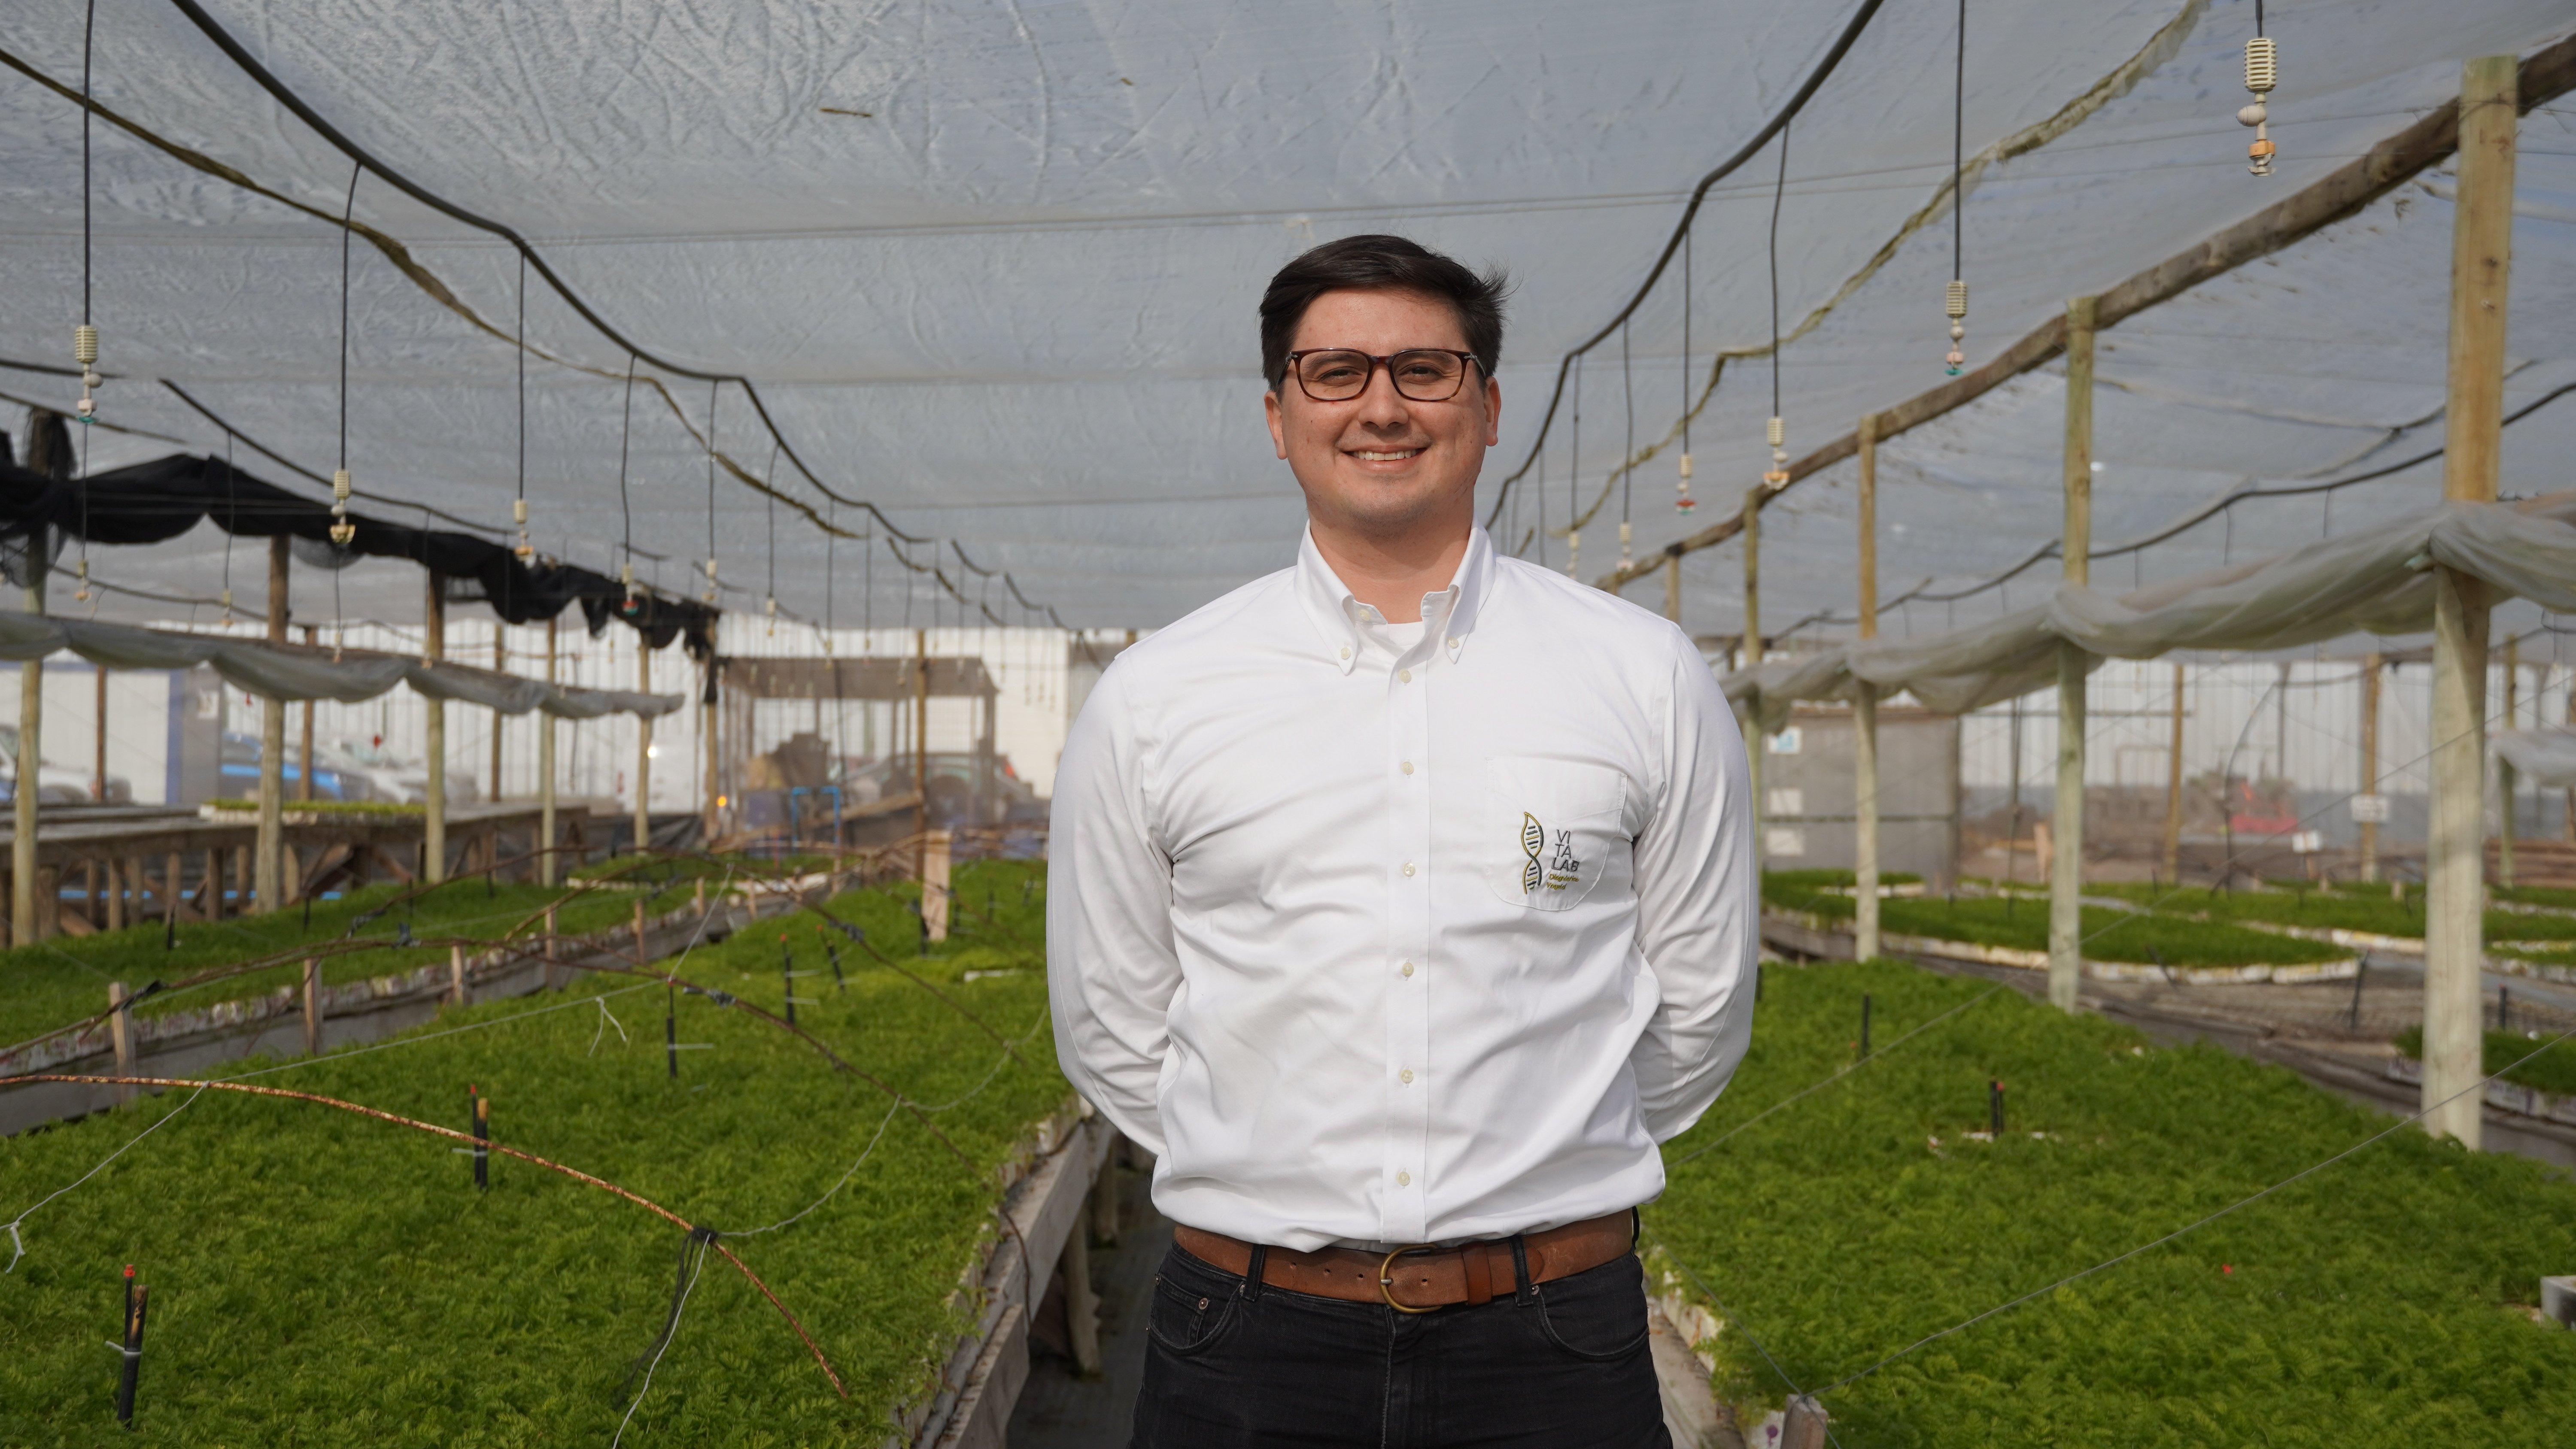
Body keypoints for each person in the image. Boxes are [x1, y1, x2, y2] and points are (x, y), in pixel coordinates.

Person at [1049, 233, 1756, 1447]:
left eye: (1425, 370)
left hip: (1553, 1344)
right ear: (1279, 416)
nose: (1382, 405)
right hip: (1248, 1340)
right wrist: (1275, 1174)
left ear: (1487, 408)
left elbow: (1699, 1004)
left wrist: (1532, 1167)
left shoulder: (1639, 677)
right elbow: (1111, 1023)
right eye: (1336, 374)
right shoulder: (1160, 696)